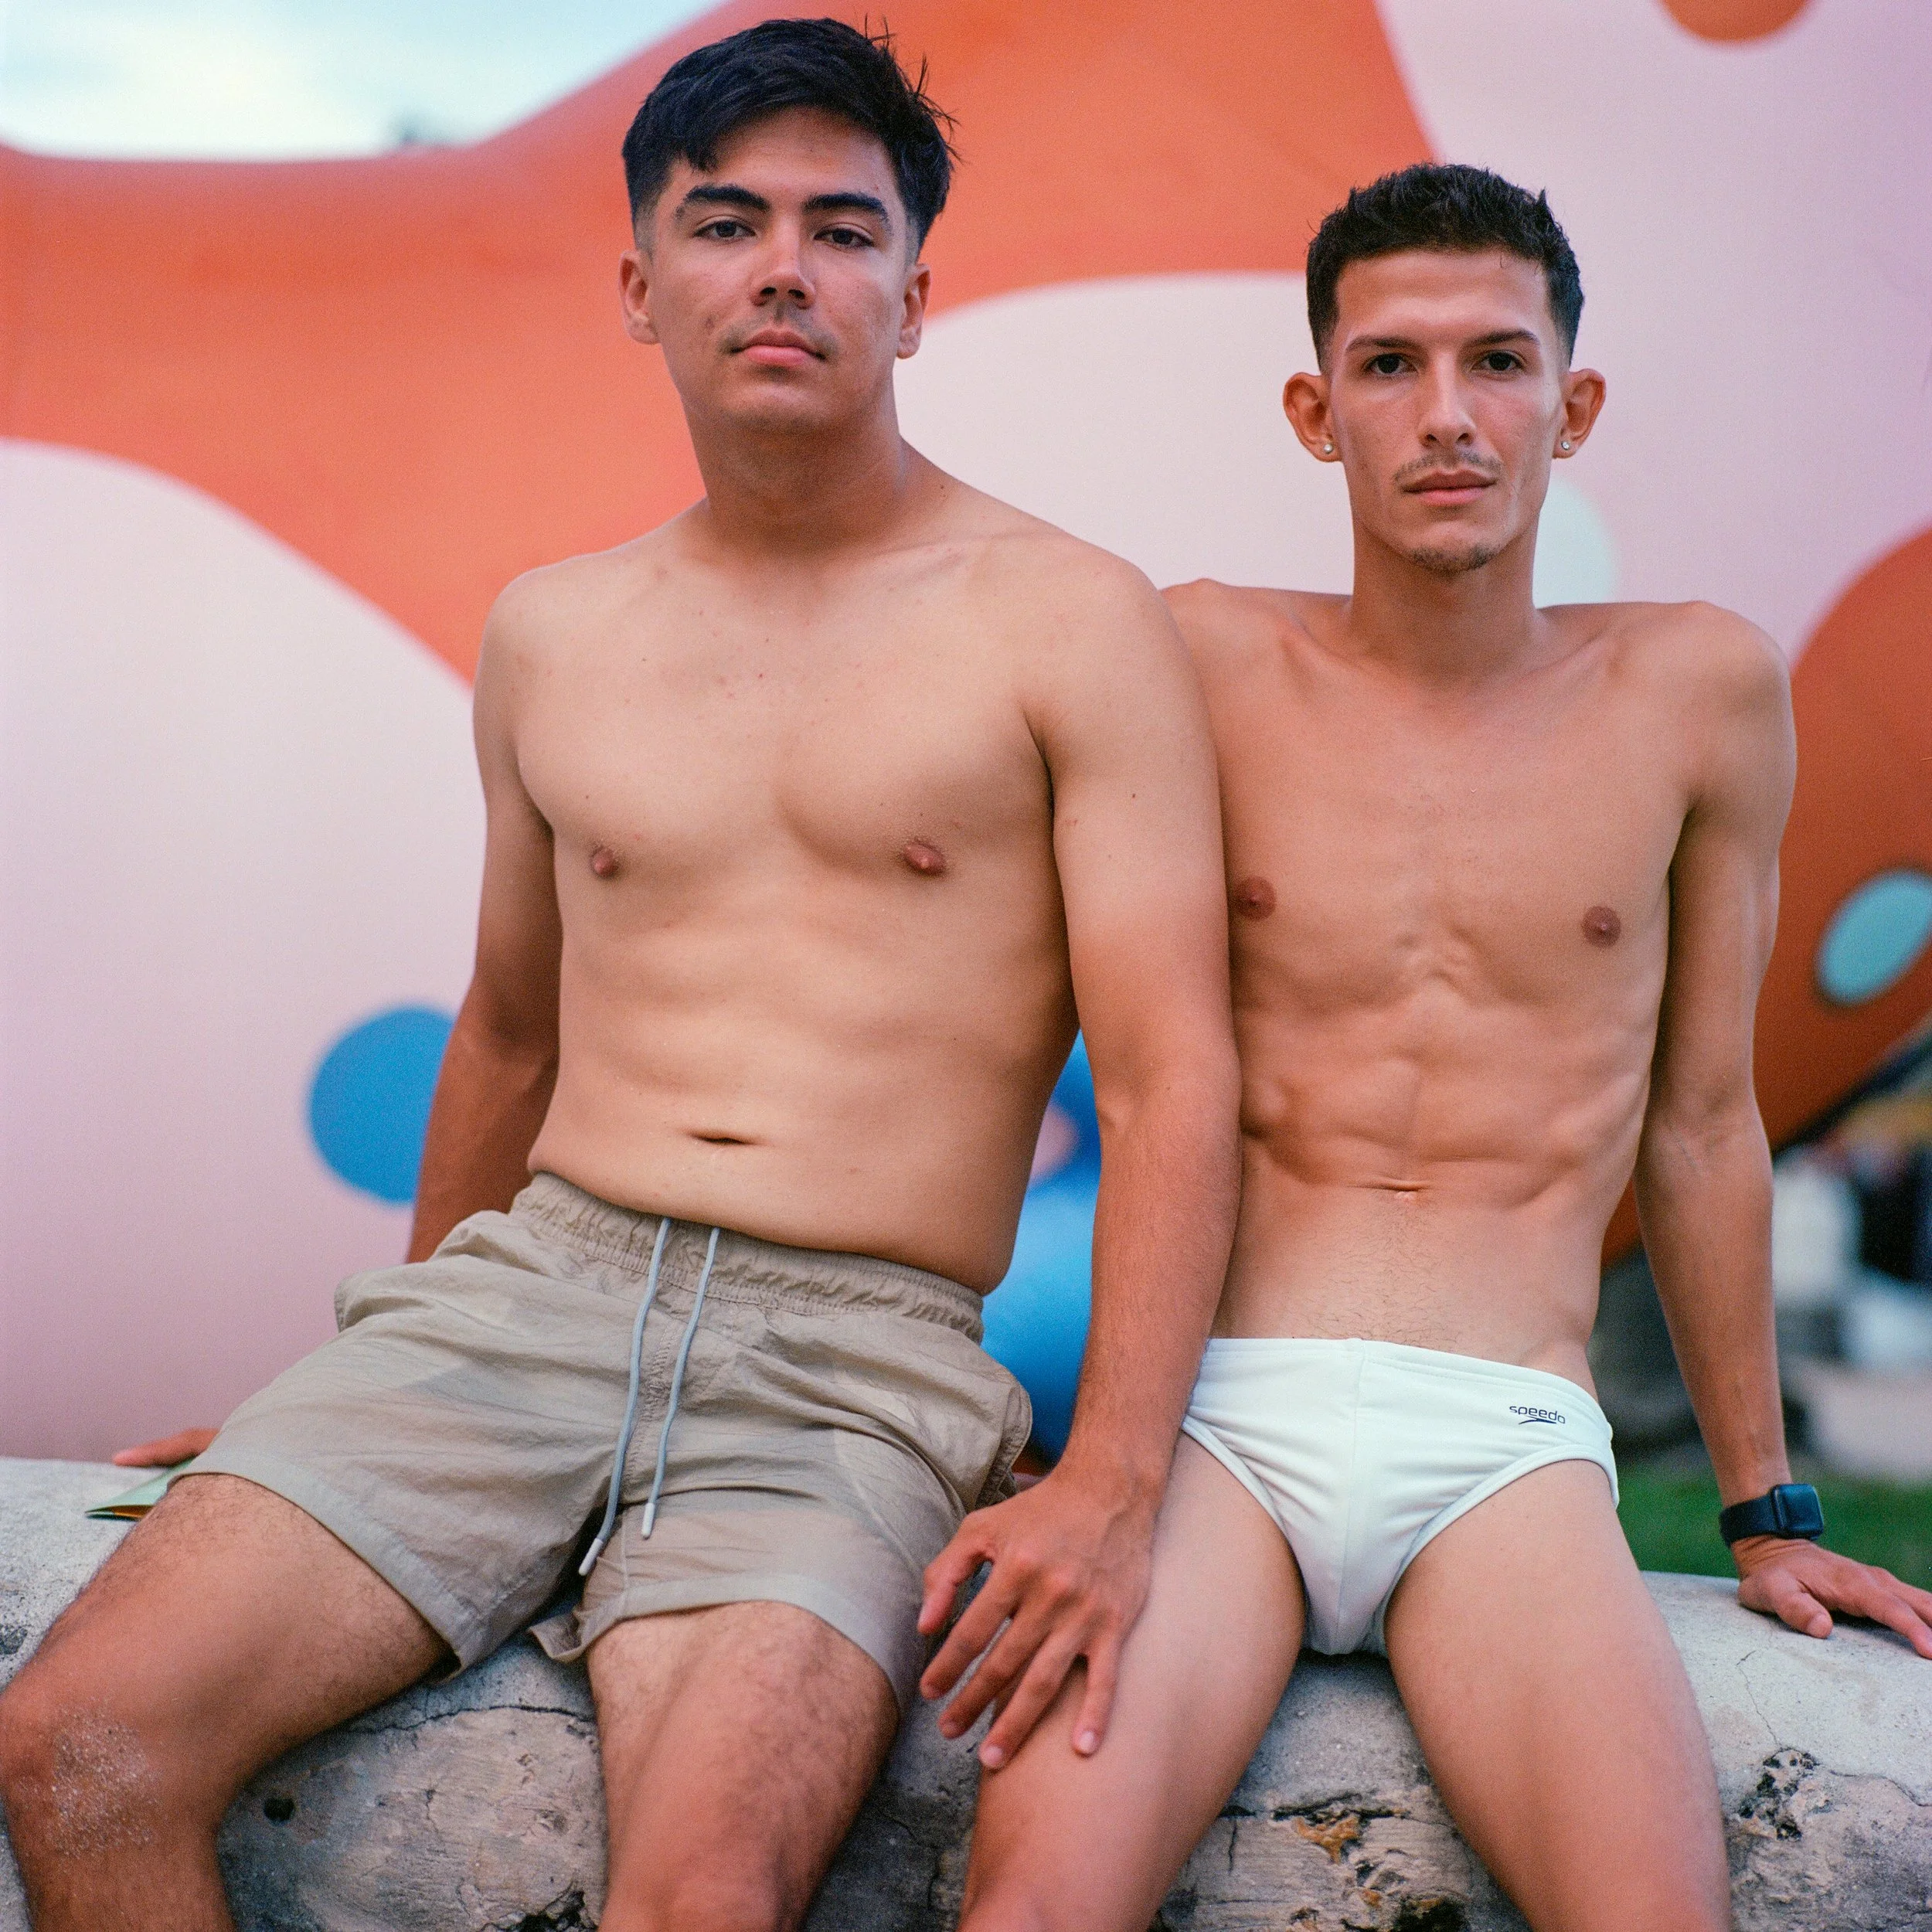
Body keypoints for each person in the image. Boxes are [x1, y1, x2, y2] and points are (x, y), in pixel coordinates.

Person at [0, 23, 1241, 1931]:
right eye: (726, 222)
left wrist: (1111, 1478)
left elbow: (1167, 1077)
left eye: (842, 230)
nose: (781, 271)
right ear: (639, 282)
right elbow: (508, 1028)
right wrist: (372, 1366)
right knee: (77, 1742)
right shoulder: (556, 630)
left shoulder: (1064, 620)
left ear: (917, 294)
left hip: (852, 1356)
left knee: (701, 1899)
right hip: (524, 1300)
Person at [952, 163, 1932, 1932]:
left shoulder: (1696, 692)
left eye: (1494, 360)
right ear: (1314, 413)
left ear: (1572, 402)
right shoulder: (1199, 655)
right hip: (1215, 1425)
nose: (1446, 416)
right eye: (1389, 367)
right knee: (1029, 1912)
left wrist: (1766, 1506)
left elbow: (1702, 1119)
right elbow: (1028, 1042)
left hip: (1504, 1437)